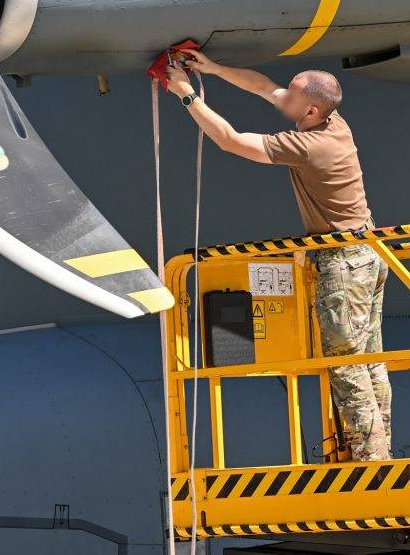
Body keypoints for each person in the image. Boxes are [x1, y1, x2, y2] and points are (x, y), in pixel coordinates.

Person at [164, 50, 391, 461]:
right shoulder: (334, 122)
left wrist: (185, 95)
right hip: (367, 254)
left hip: (343, 264)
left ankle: (369, 459)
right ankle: (379, 447)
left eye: (294, 94)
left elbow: (230, 141)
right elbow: (263, 86)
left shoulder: (310, 146)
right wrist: (211, 68)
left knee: (346, 363)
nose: (283, 95)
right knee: (369, 357)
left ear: (310, 109)